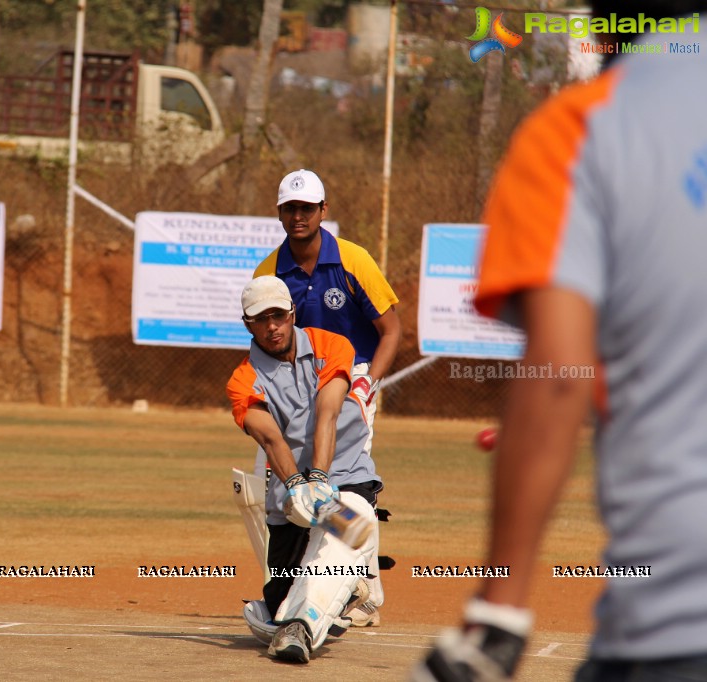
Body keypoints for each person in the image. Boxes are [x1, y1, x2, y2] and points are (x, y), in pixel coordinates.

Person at [411, 1, 707, 679]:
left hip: (679, 620)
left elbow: (557, 376)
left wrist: (498, 612)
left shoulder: (580, 132)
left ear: (601, 27)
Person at [254, 168, 401, 626]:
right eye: (290, 208)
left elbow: (392, 330)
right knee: (286, 492)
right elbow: (264, 339)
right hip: (294, 386)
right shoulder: (269, 271)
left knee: (345, 485)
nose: (298, 216)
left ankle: (361, 586)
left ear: (323, 210)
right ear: (279, 212)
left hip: (351, 383)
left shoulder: (354, 261)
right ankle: (306, 587)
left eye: (306, 208)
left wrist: (367, 382)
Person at [227, 275, 382, 663]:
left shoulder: (332, 345)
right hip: (289, 497)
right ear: (247, 324)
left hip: (343, 474)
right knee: (278, 595)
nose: (272, 326)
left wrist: (318, 479)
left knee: (353, 524)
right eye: (260, 319)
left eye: (278, 315)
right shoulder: (243, 380)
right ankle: (331, 593)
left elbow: (328, 413)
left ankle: (299, 628)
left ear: (291, 312)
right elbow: (271, 440)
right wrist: (298, 484)